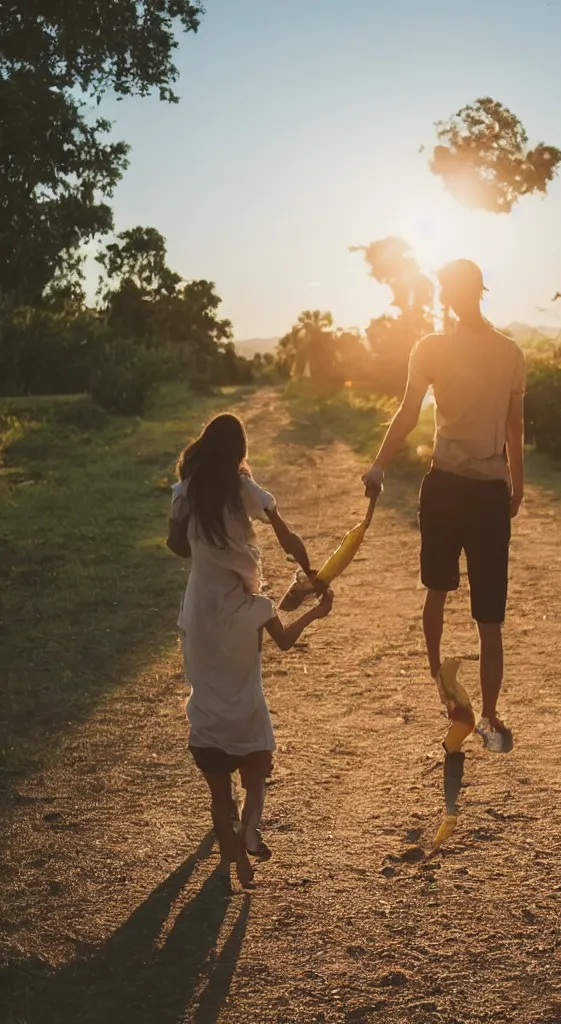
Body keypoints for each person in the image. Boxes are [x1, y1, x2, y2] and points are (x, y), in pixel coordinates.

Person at [362, 258, 526, 754]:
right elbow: (515, 426)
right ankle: (489, 715)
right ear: (480, 290)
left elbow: (410, 412)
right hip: (485, 492)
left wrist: (379, 464)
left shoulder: (435, 348)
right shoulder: (509, 352)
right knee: (487, 614)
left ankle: (446, 689)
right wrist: (517, 483)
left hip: (448, 488)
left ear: (449, 295)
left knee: (440, 592)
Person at [167, 412, 334, 889]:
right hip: (241, 605)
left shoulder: (186, 493)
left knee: (208, 686)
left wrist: (203, 549)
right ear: (239, 451)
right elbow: (285, 537)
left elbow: (175, 545)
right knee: (247, 694)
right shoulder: (244, 488)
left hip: (199, 612)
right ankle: (251, 820)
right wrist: (313, 573)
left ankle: (231, 842)